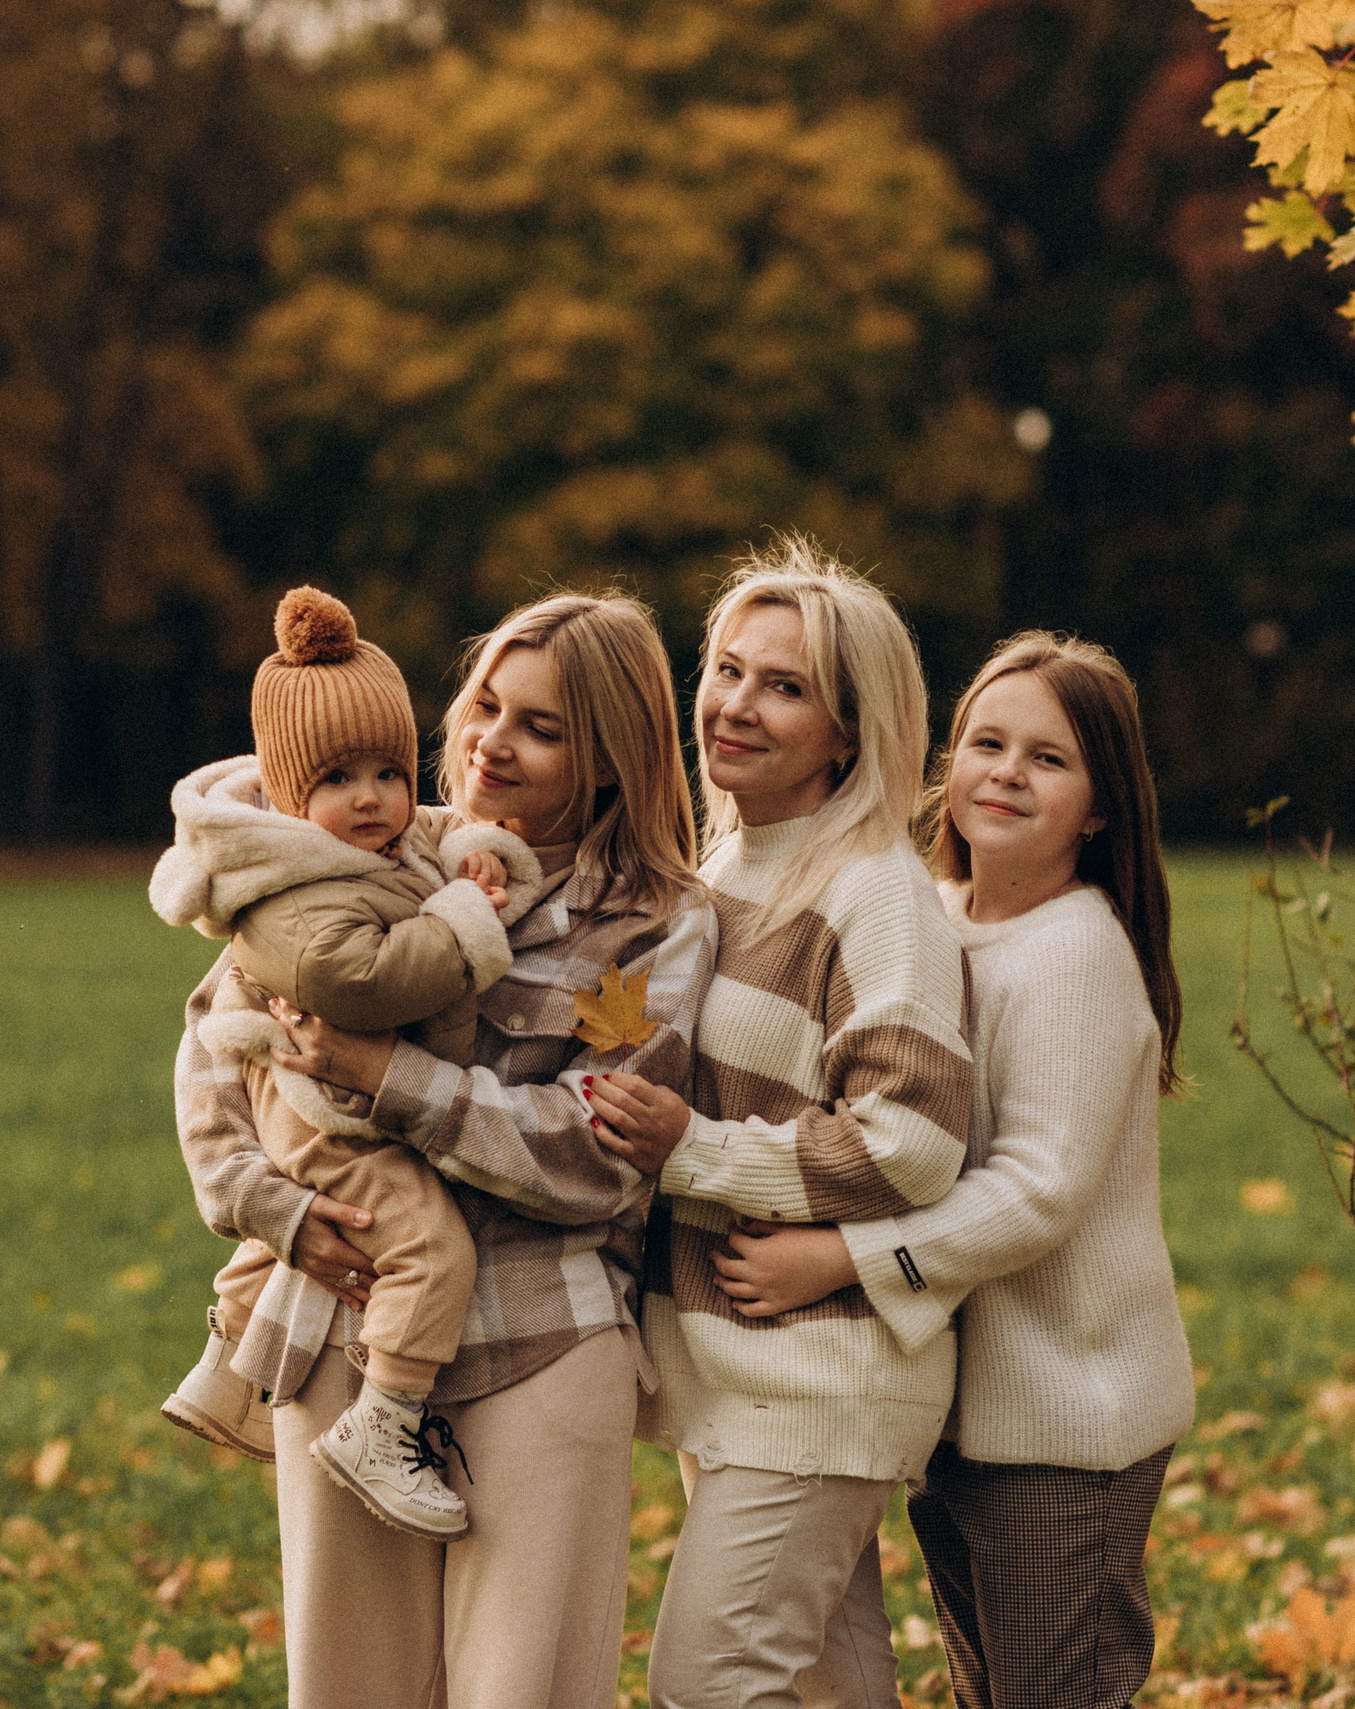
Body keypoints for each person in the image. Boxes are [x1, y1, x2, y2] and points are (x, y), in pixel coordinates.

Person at [171, 591, 714, 1709]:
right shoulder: (369, 845)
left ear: (610, 759)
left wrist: (393, 1080)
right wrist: (269, 1209)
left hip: (543, 1336)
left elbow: (593, 1151)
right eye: (484, 706)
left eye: (541, 727)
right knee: (351, 1688)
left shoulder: (650, 921)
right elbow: (221, 1037)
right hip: (345, 1319)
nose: (488, 742)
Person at [709, 633, 1196, 1709]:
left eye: (1049, 758)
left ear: (1102, 805)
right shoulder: (929, 917)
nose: (1006, 773)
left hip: (1066, 1418)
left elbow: (1037, 1188)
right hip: (960, 1414)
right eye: (986, 742)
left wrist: (841, 1257)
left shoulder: (1073, 951)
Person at [587, 540, 973, 1709]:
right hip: (738, 1363)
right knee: (830, 1688)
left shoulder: (873, 894)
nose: (734, 704)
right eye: (726, 669)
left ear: (849, 734)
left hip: (820, 1372)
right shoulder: (723, 866)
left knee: (707, 1680)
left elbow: (914, 1138)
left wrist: (693, 1151)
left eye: (783, 685)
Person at [149, 584, 542, 1539]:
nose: (369, 797)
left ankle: (228, 1354)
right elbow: (360, 980)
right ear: (287, 797)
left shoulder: (378, 836)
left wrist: (480, 851)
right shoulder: (288, 896)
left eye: (387, 770)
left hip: (343, 1093)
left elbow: (436, 834)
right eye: (336, 780)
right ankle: (385, 1418)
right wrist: (466, 919)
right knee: (424, 1243)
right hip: (323, 1104)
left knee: (371, 1229)